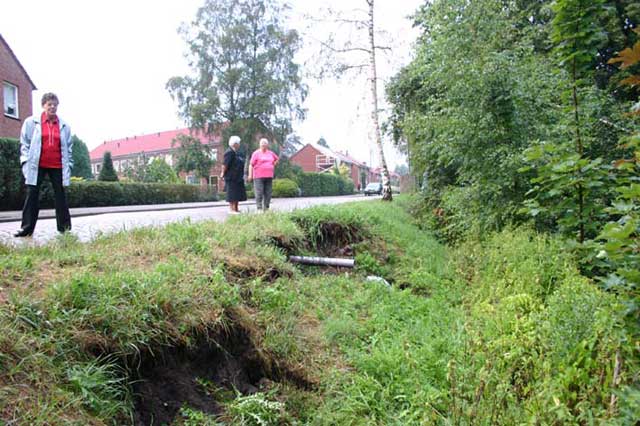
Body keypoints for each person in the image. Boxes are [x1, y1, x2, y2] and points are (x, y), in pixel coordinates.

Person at [14, 93, 73, 237]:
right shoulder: (31, 122)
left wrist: (69, 165)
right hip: (37, 164)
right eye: (49, 104)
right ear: (43, 105)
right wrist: (26, 161)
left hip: (58, 165)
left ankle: (64, 228)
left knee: (60, 196)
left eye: (55, 104)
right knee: (32, 194)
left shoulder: (64, 125)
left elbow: (69, 148)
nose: (52, 107)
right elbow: (25, 143)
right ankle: (26, 228)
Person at [248, 138, 279, 211]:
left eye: (265, 145)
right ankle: (259, 208)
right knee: (259, 192)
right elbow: (251, 165)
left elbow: (277, 159)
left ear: (267, 145)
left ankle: (266, 208)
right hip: (258, 176)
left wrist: (273, 165)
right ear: (259, 145)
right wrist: (250, 175)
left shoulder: (271, 153)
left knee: (268, 192)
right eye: (262, 145)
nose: (263, 146)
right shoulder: (256, 153)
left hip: (269, 176)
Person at [220, 135, 247, 214]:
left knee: (237, 193)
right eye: (238, 143)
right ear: (234, 144)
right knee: (232, 193)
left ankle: (236, 209)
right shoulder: (229, 152)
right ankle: (231, 209)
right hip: (231, 177)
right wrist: (222, 173)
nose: (239, 144)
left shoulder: (235, 152)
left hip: (237, 177)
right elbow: (225, 164)